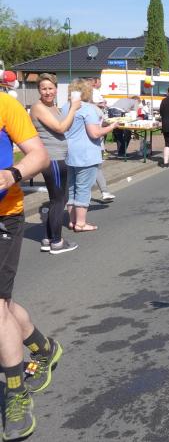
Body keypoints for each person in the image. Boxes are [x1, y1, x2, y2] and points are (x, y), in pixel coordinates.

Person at [1, 79, 64, 441]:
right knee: (4, 304)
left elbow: (39, 155)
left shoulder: (5, 105)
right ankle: (44, 347)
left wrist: (11, 174)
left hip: (3, 215)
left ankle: (16, 393)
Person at [28, 74, 81, 254]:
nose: (47, 92)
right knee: (59, 200)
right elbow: (60, 128)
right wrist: (73, 108)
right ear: (39, 90)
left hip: (59, 157)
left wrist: (71, 111)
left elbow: (66, 126)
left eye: (50, 88)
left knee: (58, 199)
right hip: (53, 159)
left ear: (56, 89)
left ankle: (48, 238)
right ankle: (57, 242)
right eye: (43, 88)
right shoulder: (38, 107)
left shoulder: (53, 107)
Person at [64, 79, 118, 231]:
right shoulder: (88, 108)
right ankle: (80, 223)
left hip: (69, 152)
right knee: (83, 188)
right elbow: (94, 133)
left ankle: (72, 220)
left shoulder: (65, 107)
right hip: (86, 153)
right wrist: (112, 127)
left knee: (72, 188)